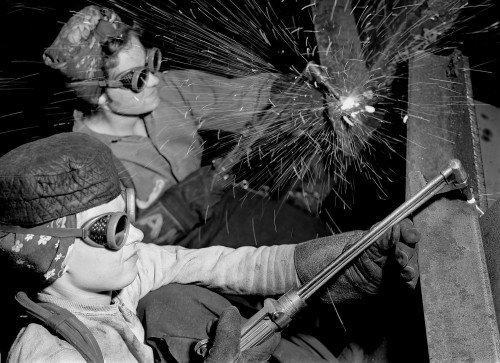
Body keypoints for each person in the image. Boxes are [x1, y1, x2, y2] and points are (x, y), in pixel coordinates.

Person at [0, 133, 420, 362]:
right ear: (48, 256)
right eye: (111, 229)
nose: (139, 236)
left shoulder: (128, 277)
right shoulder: (49, 354)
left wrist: (347, 259)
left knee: (170, 303)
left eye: (129, 214)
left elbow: (228, 265)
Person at [41, 5, 378, 249]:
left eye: (152, 63)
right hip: (163, 265)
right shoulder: (82, 164)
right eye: (139, 78)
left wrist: (294, 94)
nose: (156, 79)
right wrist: (177, 207)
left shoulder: (168, 91)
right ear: (99, 96)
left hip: (218, 214)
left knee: (313, 241)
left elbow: (242, 98)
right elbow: (112, 252)